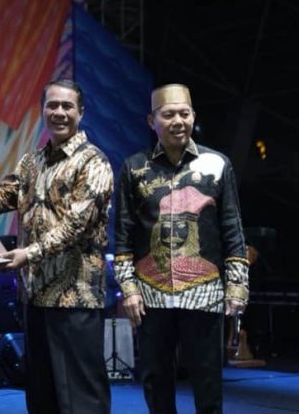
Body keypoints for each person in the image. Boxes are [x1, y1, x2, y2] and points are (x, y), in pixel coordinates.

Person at [0, 79, 113, 414]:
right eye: (52, 105)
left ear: (81, 112)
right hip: (34, 297)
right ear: (42, 110)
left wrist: (28, 254)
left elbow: (76, 226)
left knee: (81, 398)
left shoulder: (93, 162)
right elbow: (1, 196)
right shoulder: (32, 162)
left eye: (67, 106)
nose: (59, 112)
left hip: (75, 297)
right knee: (41, 396)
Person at [114, 83, 250, 414]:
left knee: (208, 381)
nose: (178, 121)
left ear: (193, 116)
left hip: (205, 292)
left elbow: (232, 229)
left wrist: (237, 286)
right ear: (152, 121)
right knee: (155, 380)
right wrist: (128, 289)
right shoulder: (134, 167)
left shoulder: (217, 164)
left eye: (184, 113)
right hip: (150, 294)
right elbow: (123, 235)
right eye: (168, 114)